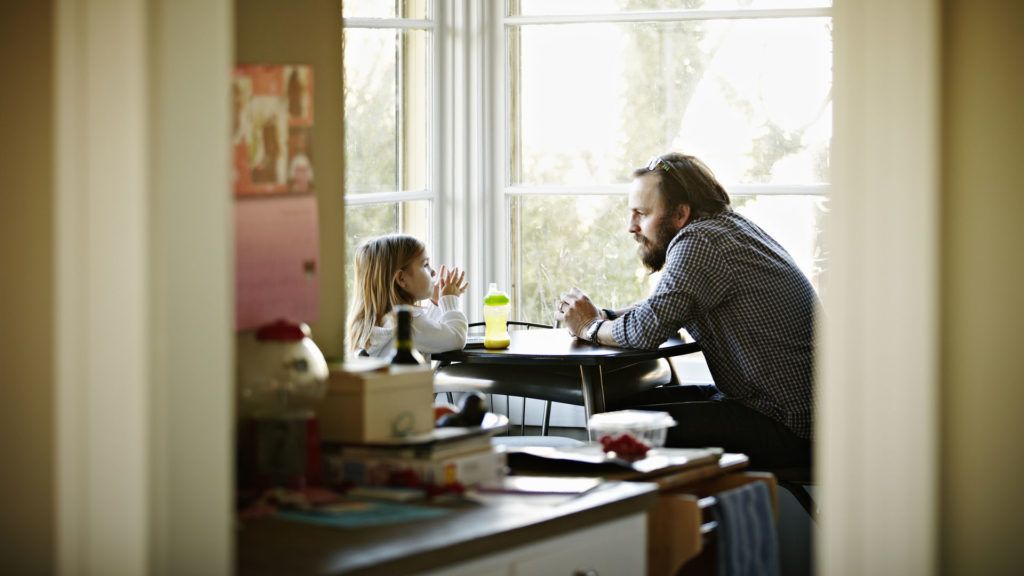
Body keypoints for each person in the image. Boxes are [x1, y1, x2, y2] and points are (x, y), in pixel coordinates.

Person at [556, 153, 819, 468]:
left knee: (620, 428)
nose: (631, 226)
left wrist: (588, 326)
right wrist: (608, 316)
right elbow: (666, 305)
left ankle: (666, 515)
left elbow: (645, 330)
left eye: (641, 213)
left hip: (788, 424)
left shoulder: (700, 242)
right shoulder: (728, 228)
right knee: (621, 411)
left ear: (680, 213)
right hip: (786, 411)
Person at [348, 234, 469, 362]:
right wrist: (450, 300)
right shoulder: (409, 323)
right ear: (402, 279)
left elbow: (430, 335)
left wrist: (436, 303)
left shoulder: (371, 325)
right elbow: (456, 338)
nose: (433, 272)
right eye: (425, 264)